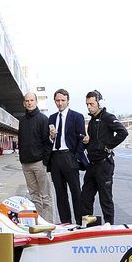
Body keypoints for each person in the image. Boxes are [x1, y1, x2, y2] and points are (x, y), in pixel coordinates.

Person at [79, 90, 128, 225]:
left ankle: (109, 227)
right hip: (92, 164)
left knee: (105, 199)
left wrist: (108, 146)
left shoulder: (108, 117)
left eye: (92, 104)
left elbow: (123, 132)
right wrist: (88, 142)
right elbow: (96, 140)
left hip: (104, 164)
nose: (89, 107)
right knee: (85, 197)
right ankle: (86, 226)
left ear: (99, 103)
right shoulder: (92, 120)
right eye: (87, 104)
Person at [47, 88, 87, 225]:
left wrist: (76, 157)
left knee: (76, 192)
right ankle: (66, 222)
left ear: (68, 101)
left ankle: (79, 222)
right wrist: (51, 138)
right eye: (57, 100)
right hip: (55, 158)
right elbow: (48, 141)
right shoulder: (51, 118)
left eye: (62, 100)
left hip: (70, 156)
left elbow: (82, 139)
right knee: (60, 193)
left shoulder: (77, 116)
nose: (60, 103)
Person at [18, 92, 53, 221]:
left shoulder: (43, 119)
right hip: (26, 163)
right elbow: (21, 140)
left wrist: (45, 161)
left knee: (46, 195)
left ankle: (49, 223)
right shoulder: (22, 121)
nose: (29, 103)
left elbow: (48, 142)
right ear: (24, 103)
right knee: (34, 196)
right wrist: (22, 158)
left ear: (36, 101)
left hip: (39, 163)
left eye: (32, 100)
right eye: (27, 101)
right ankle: (39, 222)